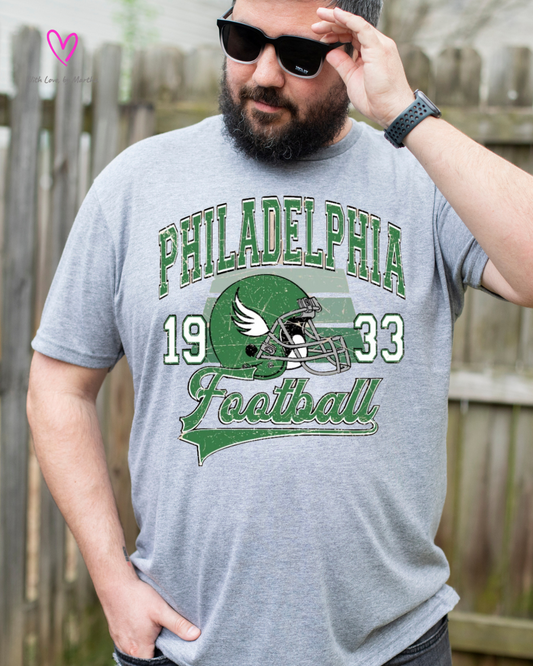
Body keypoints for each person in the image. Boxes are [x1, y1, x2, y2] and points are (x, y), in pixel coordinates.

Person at [27, 0, 533, 664]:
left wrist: (405, 114)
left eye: (298, 55)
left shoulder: (424, 183)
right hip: (182, 647)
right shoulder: (135, 184)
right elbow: (58, 386)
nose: (264, 73)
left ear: (353, 54)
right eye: (243, 40)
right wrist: (111, 579)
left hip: (391, 647)